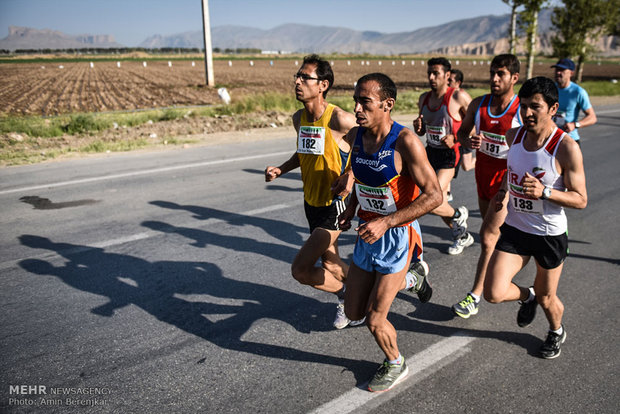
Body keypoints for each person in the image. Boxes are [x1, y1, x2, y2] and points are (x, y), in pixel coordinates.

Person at [339, 73, 442, 392]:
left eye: (364, 102)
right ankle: (413, 279)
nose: (357, 107)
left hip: (397, 236)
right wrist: (352, 210)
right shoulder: (357, 136)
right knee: (353, 311)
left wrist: (387, 221)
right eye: (355, 100)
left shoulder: (404, 141)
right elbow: (364, 179)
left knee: (374, 319)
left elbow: (435, 195)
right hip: (367, 234)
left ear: (387, 105)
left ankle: (396, 363)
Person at [484, 76, 588, 359]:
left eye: (535, 107)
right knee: (493, 293)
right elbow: (512, 168)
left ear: (553, 109)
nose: (527, 113)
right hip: (516, 228)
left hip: (549, 235)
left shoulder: (565, 147)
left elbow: (580, 199)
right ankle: (526, 296)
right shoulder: (513, 136)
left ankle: (556, 331)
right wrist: (503, 191)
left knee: (547, 298)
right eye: (524, 106)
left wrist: (545, 193)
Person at [264, 54, 362, 329]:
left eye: (305, 77)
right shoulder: (299, 119)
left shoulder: (339, 120)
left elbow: (366, 144)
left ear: (323, 85)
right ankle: (368, 287)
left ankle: (351, 297)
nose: (297, 81)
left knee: (301, 269)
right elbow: (304, 152)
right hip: (311, 203)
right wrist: (281, 169)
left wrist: (351, 175)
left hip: (335, 204)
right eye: (297, 76)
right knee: (331, 265)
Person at [452, 54, 522, 318]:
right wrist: (467, 142)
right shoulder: (479, 105)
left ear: (514, 78)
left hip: (506, 183)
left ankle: (475, 295)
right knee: (494, 234)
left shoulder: (518, 110)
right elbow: (462, 133)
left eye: (501, 74)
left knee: (487, 236)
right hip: (482, 178)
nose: (494, 78)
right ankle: (514, 255)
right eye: (493, 72)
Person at [413, 57, 473, 255]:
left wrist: (456, 138)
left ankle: (458, 217)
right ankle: (461, 232)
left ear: (447, 75)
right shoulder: (424, 98)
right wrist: (419, 128)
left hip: (450, 155)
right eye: (429, 72)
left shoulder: (458, 97)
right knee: (437, 201)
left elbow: (476, 126)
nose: (431, 77)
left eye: (436, 73)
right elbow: (424, 132)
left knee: (432, 199)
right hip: (430, 153)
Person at [551, 58, 597, 145]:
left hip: (569, 140)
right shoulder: (550, 89)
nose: (558, 73)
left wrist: (575, 125)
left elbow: (592, 117)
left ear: (571, 73)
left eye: (562, 70)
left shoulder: (578, 92)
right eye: (557, 70)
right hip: (551, 138)